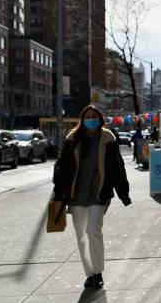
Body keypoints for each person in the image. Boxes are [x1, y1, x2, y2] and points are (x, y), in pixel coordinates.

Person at [52, 105, 131, 290]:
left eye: (93, 116)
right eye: (87, 116)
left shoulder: (108, 138)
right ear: (82, 119)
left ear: (100, 119)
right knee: (81, 236)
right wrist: (58, 193)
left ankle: (98, 273)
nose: (90, 119)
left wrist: (123, 193)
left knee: (93, 231)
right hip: (76, 195)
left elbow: (117, 167)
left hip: (99, 193)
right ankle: (90, 275)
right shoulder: (73, 138)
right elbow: (62, 167)